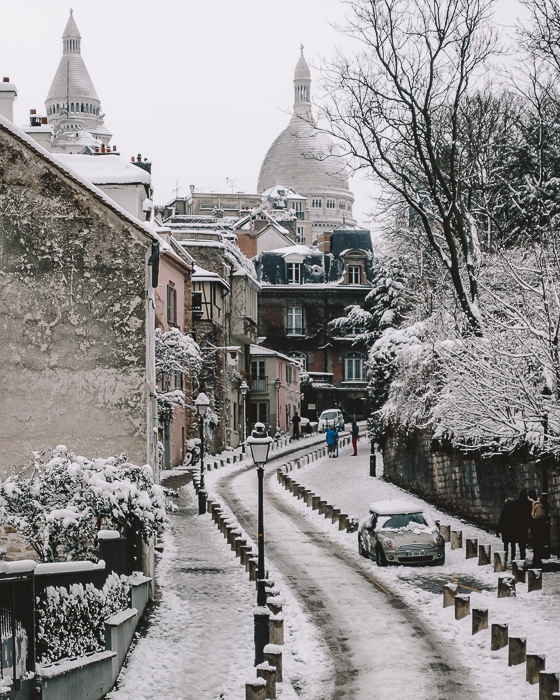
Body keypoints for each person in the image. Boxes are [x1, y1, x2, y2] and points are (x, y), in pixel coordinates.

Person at [528, 488, 547, 567]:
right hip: (541, 524)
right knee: (540, 541)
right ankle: (538, 558)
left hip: (534, 525)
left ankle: (536, 558)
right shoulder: (541, 501)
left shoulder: (530, 503)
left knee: (535, 542)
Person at [497, 497, 518, 565]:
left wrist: (498, 530)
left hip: (506, 528)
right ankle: (513, 558)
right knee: (513, 544)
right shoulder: (516, 507)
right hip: (514, 528)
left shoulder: (504, 508)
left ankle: (505, 558)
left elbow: (501, 519)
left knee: (506, 544)